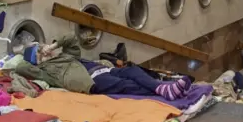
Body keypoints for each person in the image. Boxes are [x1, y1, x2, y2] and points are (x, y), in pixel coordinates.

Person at [15, 36, 192, 100]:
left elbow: (70, 39)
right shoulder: (47, 71)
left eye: (43, 48)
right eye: (40, 52)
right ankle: (163, 91)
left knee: (131, 70)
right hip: (92, 81)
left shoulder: (66, 56)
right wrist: (38, 59)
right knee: (123, 84)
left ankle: (162, 88)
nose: (44, 51)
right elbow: (21, 67)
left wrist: (53, 47)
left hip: (105, 69)